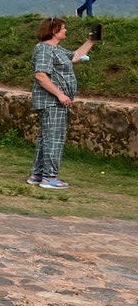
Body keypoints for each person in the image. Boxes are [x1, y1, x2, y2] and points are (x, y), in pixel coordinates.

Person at [29, 17, 97, 189]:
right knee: (54, 139)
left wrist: (91, 40)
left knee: (47, 138)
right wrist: (60, 94)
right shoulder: (44, 49)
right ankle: (49, 178)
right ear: (53, 31)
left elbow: (75, 56)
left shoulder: (56, 49)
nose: (66, 30)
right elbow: (40, 75)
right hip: (52, 102)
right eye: (63, 28)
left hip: (56, 102)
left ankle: (37, 175)